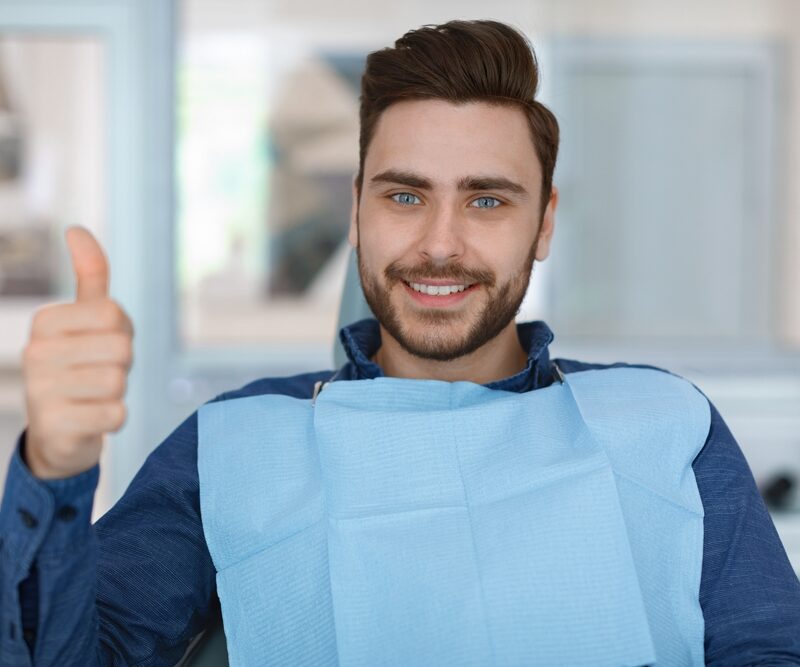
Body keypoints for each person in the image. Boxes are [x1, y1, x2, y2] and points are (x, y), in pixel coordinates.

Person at [1, 19, 799, 667]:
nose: (440, 244)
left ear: (545, 221)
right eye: (406, 194)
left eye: (487, 200)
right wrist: (54, 471)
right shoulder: (231, 441)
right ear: (356, 211)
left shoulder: (665, 420)